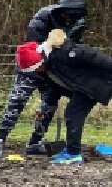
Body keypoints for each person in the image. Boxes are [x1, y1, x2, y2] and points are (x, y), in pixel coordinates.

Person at [0, 0, 89, 158]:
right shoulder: (44, 16)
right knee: (17, 101)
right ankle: (0, 139)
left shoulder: (78, 22)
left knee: (48, 105)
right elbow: (32, 46)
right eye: (68, 13)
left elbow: (72, 47)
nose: (70, 17)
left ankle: (35, 142)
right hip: (32, 66)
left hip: (52, 69)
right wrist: (53, 48)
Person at [15, 29, 112, 165]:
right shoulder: (50, 68)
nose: (36, 72)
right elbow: (54, 91)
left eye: (35, 69)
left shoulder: (65, 54)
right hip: (83, 88)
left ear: (39, 62)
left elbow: (94, 56)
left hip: (95, 84)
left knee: (73, 114)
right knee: (72, 114)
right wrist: (45, 108)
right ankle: (71, 151)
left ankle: (73, 154)